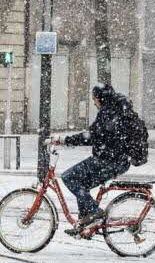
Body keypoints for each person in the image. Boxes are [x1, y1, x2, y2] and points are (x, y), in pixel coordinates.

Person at [54, 84, 139, 235]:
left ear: (101, 98)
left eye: (94, 99)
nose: (94, 102)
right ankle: (84, 225)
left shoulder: (108, 113)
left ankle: (94, 211)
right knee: (81, 185)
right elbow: (96, 135)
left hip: (109, 160)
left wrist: (65, 140)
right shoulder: (115, 110)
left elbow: (91, 136)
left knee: (69, 177)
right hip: (116, 160)